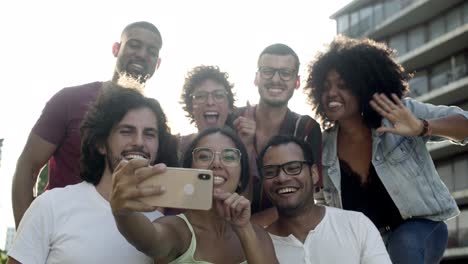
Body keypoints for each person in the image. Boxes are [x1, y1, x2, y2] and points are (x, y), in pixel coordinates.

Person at [304, 35, 468, 264]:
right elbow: (322, 207)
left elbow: (464, 125)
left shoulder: (398, 115)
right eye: (325, 87)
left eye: (343, 85)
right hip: (365, 242)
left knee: (404, 245)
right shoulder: (323, 148)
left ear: (364, 86)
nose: (331, 93)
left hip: (420, 228)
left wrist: (422, 127)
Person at [11, 21, 163, 228]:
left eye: (151, 51)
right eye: (134, 45)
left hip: (125, 240)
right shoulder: (70, 100)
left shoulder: (154, 124)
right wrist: (27, 236)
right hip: (59, 234)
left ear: (158, 63)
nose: (142, 54)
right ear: (116, 49)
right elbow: (28, 166)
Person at [7, 87, 178, 264]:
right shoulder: (51, 206)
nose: (139, 142)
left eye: (149, 134)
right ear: (101, 144)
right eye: (127, 131)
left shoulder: (160, 227)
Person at [110, 127, 278, 264]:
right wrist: (123, 213)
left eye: (229, 156)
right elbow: (148, 240)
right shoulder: (176, 229)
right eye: (204, 156)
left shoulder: (259, 236)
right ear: (189, 170)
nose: (216, 163)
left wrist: (244, 230)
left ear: (241, 178)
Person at [259, 135, 391, 264]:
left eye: (293, 168)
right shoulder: (257, 247)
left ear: (314, 174)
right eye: (270, 172)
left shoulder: (356, 225)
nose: (282, 178)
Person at [236, 43, 322, 226]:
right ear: (256, 78)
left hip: (284, 230)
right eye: (267, 71)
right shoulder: (233, 120)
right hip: (226, 230)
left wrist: (248, 228)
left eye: (285, 73)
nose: (276, 79)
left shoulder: (306, 128)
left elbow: (305, 196)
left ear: (296, 82)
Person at [179, 65, 254, 157]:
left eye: (218, 95)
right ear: (190, 107)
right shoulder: (178, 148)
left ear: (230, 107)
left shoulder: (244, 143)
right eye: (201, 96)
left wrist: (246, 146)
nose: (210, 102)